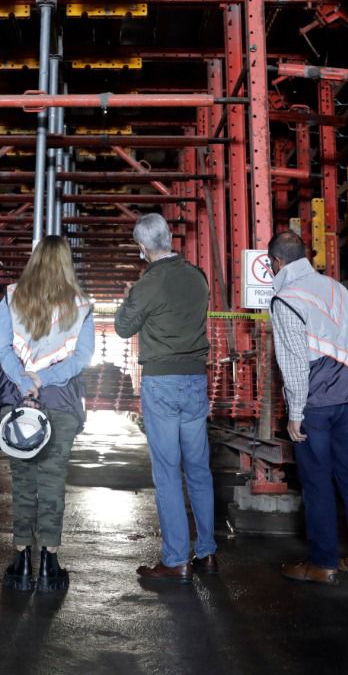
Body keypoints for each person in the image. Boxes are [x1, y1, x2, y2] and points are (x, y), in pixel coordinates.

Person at [268, 230, 348, 585]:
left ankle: (323, 563)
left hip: (315, 403)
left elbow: (294, 362)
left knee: (317, 482)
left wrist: (295, 413)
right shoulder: (338, 289)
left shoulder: (286, 298)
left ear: (276, 262)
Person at [116, 213, 218, 583]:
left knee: (167, 471)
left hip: (162, 381)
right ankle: (207, 553)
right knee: (199, 469)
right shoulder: (197, 277)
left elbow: (122, 327)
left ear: (142, 248)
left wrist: (130, 296)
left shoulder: (148, 283)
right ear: (170, 236)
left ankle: (176, 559)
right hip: (195, 379)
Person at [0, 235, 95, 592]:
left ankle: (22, 562)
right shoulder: (81, 305)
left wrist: (26, 381)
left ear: (34, 259)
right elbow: (82, 358)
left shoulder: (11, 297)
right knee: (52, 482)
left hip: (17, 400)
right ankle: (50, 564)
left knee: (22, 481)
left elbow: (2, 348)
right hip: (61, 401)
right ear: (67, 262)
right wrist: (45, 378)